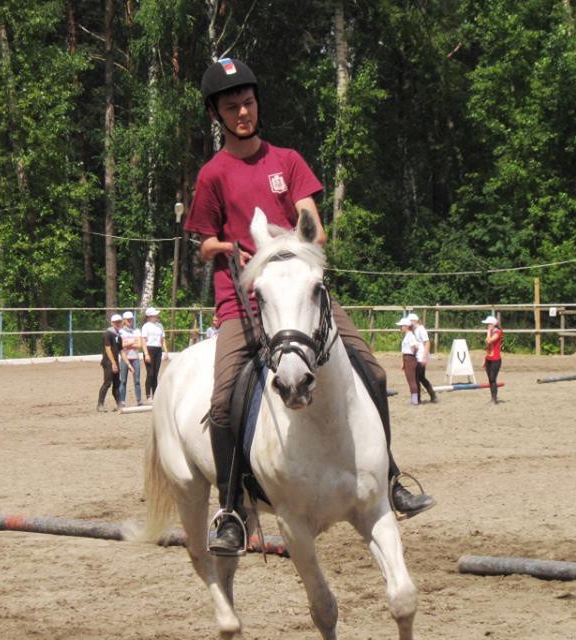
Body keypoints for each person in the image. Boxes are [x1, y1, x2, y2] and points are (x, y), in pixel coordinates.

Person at [184, 57, 434, 555]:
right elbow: (204, 243)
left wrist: (305, 238)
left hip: (301, 295)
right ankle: (230, 508)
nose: (243, 113)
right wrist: (231, 248)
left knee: (373, 372)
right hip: (243, 302)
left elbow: (311, 222)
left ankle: (389, 478)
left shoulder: (288, 161)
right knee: (222, 401)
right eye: (232, 107)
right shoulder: (213, 175)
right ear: (216, 114)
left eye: (248, 103)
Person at [409, 313, 437, 403]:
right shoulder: (414, 330)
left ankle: (418, 398)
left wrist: (424, 357)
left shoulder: (421, 329)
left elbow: (427, 343)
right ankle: (432, 395)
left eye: (410, 321)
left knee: (417, 377)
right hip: (418, 356)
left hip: (421, 357)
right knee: (421, 377)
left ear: (415, 321)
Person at [97, 313, 123, 412]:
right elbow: (108, 349)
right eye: (116, 322)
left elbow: (121, 350)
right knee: (107, 383)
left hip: (115, 362)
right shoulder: (108, 334)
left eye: (119, 322)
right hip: (108, 362)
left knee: (117, 383)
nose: (118, 324)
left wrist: (127, 363)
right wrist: (113, 363)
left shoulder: (118, 335)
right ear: (112, 323)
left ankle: (119, 404)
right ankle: (100, 404)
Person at [140, 307, 167, 401]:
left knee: (155, 373)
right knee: (150, 373)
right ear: (149, 316)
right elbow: (143, 340)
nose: (156, 316)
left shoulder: (160, 326)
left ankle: (155, 394)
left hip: (158, 349)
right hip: (149, 349)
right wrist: (146, 353)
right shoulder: (146, 326)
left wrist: (166, 352)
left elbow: (163, 340)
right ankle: (148, 395)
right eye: (154, 315)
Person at [118, 311, 142, 407]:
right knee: (123, 380)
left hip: (135, 358)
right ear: (124, 320)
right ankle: (122, 401)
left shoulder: (137, 331)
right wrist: (133, 342)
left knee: (137, 380)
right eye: (128, 320)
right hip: (125, 358)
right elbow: (121, 345)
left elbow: (139, 344)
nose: (130, 321)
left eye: (131, 319)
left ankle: (139, 400)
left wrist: (127, 343)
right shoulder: (120, 332)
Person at [399, 317, 420, 405]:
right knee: (410, 379)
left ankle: (414, 400)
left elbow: (416, 346)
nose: (400, 328)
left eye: (401, 326)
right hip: (407, 357)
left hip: (410, 358)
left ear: (406, 326)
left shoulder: (410, 336)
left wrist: (412, 354)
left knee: (411, 380)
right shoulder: (408, 335)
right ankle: (414, 398)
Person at [483, 315, 504, 404]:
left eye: (488, 324)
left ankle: (494, 399)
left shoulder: (498, 332)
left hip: (496, 359)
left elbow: (489, 341)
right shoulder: (491, 332)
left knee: (492, 378)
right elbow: (487, 346)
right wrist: (485, 359)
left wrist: (488, 332)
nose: (487, 326)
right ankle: (493, 397)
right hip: (489, 358)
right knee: (490, 380)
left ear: (492, 324)